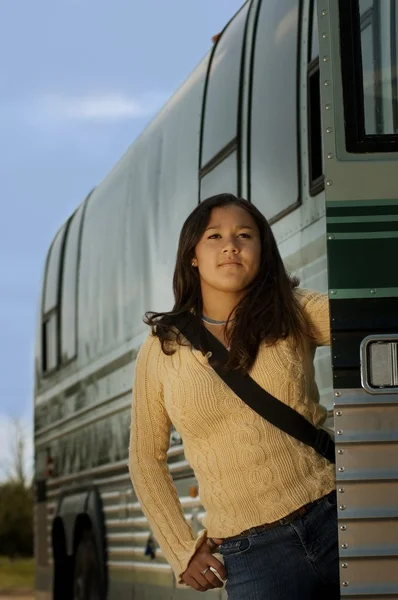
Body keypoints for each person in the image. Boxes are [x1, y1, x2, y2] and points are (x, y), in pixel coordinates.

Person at [129, 193, 340, 599]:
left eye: (245, 235)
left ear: (261, 250)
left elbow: (363, 320)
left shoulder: (292, 309)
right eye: (215, 236)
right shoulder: (161, 349)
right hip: (254, 555)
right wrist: (180, 550)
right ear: (193, 255)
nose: (231, 245)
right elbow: (145, 459)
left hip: (337, 518)